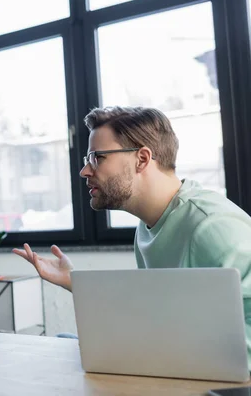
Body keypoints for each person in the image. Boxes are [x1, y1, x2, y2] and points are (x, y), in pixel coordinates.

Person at [13, 106, 251, 364]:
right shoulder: (147, 227)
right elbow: (152, 316)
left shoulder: (212, 226)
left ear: (142, 159)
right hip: (175, 363)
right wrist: (74, 281)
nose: (85, 171)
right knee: (63, 341)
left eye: (97, 157)